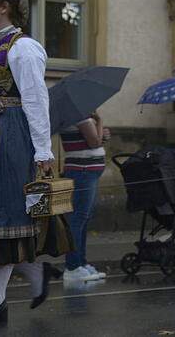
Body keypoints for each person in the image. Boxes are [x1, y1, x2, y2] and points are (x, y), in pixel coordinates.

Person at [0, 0, 56, 326]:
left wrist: (42, 150)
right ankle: (5, 295)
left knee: (4, 216)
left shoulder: (24, 47)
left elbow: (35, 99)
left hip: (10, 138)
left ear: (3, 7)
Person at [60, 110, 111, 281]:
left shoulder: (83, 116)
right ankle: (73, 266)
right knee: (78, 218)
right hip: (83, 170)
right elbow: (94, 142)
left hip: (88, 171)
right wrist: (100, 121)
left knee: (83, 217)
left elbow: (94, 140)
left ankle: (81, 262)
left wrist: (101, 132)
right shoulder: (79, 115)